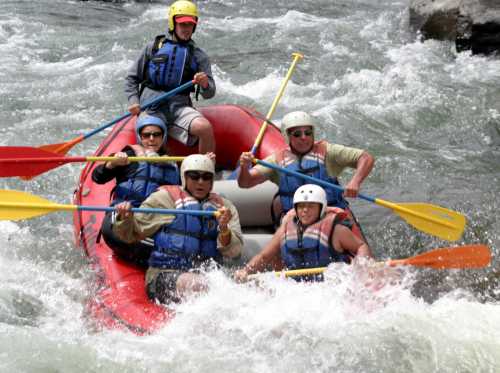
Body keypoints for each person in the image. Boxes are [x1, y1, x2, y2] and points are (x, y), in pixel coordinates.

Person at [113, 154, 243, 304]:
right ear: (184, 177)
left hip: (208, 275)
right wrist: (125, 218)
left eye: (206, 177)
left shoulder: (225, 207)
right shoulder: (164, 199)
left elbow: (235, 252)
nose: (200, 181)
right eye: (194, 176)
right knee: (199, 284)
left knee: (227, 285)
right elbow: (130, 234)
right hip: (164, 275)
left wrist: (224, 229)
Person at [238, 110, 374, 234]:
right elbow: (245, 183)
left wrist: (355, 182)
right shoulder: (276, 160)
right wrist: (244, 167)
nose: (304, 137)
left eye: (308, 133)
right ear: (287, 137)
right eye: (297, 134)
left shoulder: (328, 151)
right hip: (297, 220)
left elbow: (366, 157)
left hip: (331, 213)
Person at [125, 0, 216, 154]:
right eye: (182, 24)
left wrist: (205, 84)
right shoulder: (153, 48)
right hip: (152, 108)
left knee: (205, 128)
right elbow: (131, 79)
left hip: (179, 108)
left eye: (190, 25)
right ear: (173, 23)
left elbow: (210, 93)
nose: (186, 29)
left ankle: (203, 170)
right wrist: (134, 101)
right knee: (152, 134)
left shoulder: (198, 55)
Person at [234, 184, 373, 282]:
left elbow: (361, 246)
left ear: (321, 208)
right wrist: (246, 271)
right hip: (296, 288)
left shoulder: (336, 230)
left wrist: (361, 266)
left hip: (331, 285)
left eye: (311, 206)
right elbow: (264, 257)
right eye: (301, 206)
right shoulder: (285, 229)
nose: (305, 210)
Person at [92, 114, 180, 267]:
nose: (151, 139)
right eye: (147, 135)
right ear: (140, 137)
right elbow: (98, 177)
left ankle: (158, 260)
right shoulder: (129, 156)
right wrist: (111, 165)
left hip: (151, 219)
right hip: (123, 215)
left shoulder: (173, 165)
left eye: (156, 134)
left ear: (163, 137)